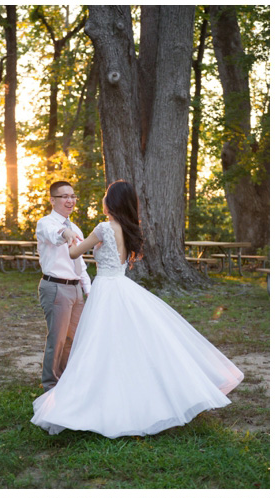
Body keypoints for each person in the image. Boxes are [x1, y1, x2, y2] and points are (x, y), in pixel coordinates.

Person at [32, 180, 244, 436]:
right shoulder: (127, 229)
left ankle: (93, 395)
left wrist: (71, 240)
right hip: (121, 287)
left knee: (97, 343)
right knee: (127, 342)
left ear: (111, 202)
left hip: (106, 290)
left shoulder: (102, 228)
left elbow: (76, 254)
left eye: (106, 195)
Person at [36, 180, 92, 392]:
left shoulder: (75, 227)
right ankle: (50, 385)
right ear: (52, 200)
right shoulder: (46, 223)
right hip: (56, 288)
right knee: (57, 339)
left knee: (74, 338)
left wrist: (89, 290)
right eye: (64, 197)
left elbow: (81, 264)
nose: (70, 200)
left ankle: (66, 379)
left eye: (73, 196)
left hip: (76, 288)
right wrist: (65, 234)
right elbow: (55, 235)